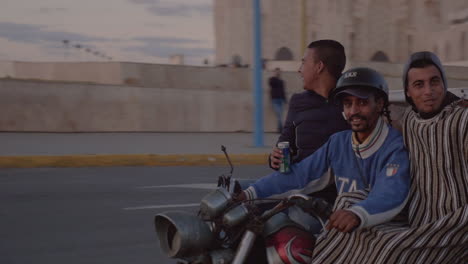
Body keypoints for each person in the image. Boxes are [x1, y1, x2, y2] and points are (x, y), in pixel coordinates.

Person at [310, 51, 467, 264]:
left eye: (435, 82)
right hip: (417, 209)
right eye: (419, 85)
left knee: (392, 249)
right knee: (347, 202)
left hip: (455, 221)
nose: (428, 91)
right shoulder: (410, 119)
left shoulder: (462, 119)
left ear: (443, 84)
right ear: (408, 92)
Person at [240, 67, 410, 233]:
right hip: (346, 229)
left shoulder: (394, 147)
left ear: (379, 104)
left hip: (384, 232)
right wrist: (250, 193)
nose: (353, 111)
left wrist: (358, 213)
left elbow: (390, 192)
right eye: (347, 103)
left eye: (362, 102)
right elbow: (300, 176)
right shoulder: (338, 143)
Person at [269, 40, 350, 209]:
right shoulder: (298, 101)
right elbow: (285, 141)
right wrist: (274, 158)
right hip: (297, 186)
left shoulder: (352, 102)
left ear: (319, 66)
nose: (300, 69)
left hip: (332, 198)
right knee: (235, 198)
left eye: (304, 62)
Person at [269, 68, 287, 133]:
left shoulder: (281, 81)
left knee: (280, 115)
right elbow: (271, 84)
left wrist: (285, 100)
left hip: (280, 100)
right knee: (279, 114)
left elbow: (283, 91)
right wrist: (275, 76)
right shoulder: (272, 79)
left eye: (279, 72)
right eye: (276, 72)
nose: (278, 73)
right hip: (275, 100)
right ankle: (281, 129)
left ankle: (279, 129)